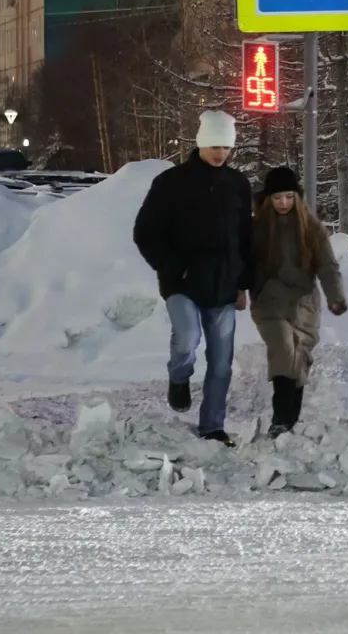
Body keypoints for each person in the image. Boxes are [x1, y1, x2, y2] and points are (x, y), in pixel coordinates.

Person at [132, 110, 254, 446]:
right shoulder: (171, 183)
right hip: (182, 283)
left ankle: (212, 426)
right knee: (187, 337)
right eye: (214, 145)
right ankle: (179, 376)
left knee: (221, 363)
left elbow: (245, 237)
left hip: (224, 285)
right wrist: (173, 269)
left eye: (226, 147)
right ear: (200, 142)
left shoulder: (238, 185)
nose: (220, 153)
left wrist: (243, 283)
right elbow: (146, 232)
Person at [249, 166, 347, 439]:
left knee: (299, 352)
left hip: (304, 300)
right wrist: (236, 289)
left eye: (288, 197)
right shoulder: (256, 228)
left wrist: (335, 296)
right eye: (277, 197)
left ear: (297, 197)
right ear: (268, 199)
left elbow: (327, 265)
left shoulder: (311, 228)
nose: (283, 203)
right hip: (268, 301)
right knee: (283, 347)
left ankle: (289, 418)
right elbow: (240, 265)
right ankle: (281, 417)